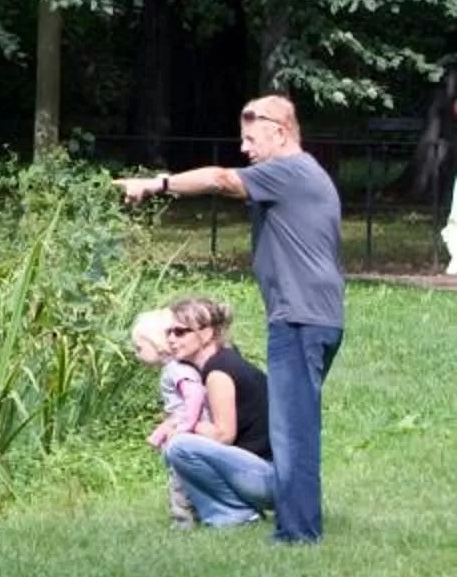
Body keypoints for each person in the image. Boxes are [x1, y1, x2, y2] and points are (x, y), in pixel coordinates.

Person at [120, 94, 345, 543]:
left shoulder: (290, 170)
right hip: (309, 316)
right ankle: (289, 523)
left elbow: (221, 179)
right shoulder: (300, 175)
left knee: (293, 432)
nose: (244, 148)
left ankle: (298, 534)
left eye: (249, 137)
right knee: (293, 427)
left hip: (300, 319)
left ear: (279, 131)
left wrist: (157, 183)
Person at [145, 299, 272, 528]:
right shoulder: (222, 360)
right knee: (181, 444)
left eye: (180, 332)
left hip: (269, 478)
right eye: (169, 332)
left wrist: (183, 425)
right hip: (263, 473)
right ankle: (230, 510)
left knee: (180, 446)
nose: (172, 339)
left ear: (206, 334)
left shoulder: (219, 372)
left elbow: (223, 435)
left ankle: (235, 513)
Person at [128, 308, 209, 524]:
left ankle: (183, 520)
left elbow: (195, 395)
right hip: (187, 430)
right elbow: (178, 408)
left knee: (180, 480)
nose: (136, 353)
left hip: (191, 434)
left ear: (156, 344)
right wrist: (161, 431)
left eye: (139, 348)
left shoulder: (176, 370)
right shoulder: (174, 368)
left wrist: (185, 427)